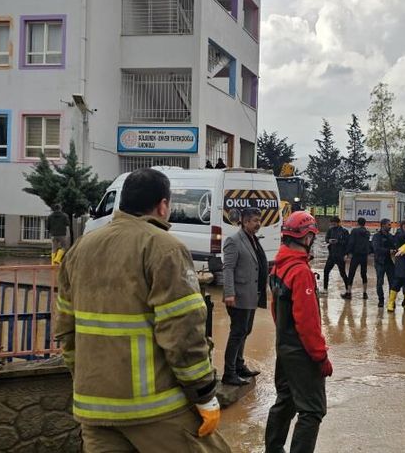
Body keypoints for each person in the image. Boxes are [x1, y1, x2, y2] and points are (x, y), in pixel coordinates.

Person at [54, 168, 230, 452]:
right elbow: (183, 333)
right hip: (154, 409)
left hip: (94, 409)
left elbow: (66, 329)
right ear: (163, 205)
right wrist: (204, 393)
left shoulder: (80, 249)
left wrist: (86, 381)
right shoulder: (164, 248)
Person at [265, 211, 332, 453]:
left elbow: (275, 311)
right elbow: (308, 322)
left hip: (284, 347)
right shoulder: (300, 272)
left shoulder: (278, 267)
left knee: (286, 400)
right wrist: (320, 356)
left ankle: (273, 449)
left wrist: (284, 341)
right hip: (301, 351)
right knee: (312, 410)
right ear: (307, 237)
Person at [222, 207, 267, 386]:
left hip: (251, 294)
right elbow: (228, 268)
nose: (258, 224)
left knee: (245, 331)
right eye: (255, 220)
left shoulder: (253, 239)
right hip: (238, 295)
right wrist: (229, 293)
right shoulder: (233, 240)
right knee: (237, 332)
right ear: (245, 221)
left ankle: (239, 366)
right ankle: (229, 373)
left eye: (259, 220)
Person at [342, 217, 371, 300]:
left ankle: (348, 293)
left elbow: (351, 243)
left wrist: (347, 253)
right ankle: (365, 293)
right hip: (364, 256)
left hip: (356, 255)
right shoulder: (367, 232)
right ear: (364, 223)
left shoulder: (354, 231)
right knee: (363, 273)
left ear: (357, 223)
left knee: (351, 273)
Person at [371, 218, 397, 308]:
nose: (390, 226)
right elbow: (376, 249)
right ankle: (381, 300)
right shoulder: (376, 236)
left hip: (390, 263)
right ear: (383, 225)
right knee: (379, 282)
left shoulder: (391, 236)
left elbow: (395, 246)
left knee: (393, 283)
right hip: (380, 263)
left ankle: (391, 301)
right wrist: (389, 251)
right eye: (389, 225)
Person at [323, 216, 350, 291]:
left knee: (343, 273)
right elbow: (326, 239)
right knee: (326, 271)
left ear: (338, 223)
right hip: (331, 255)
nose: (333, 224)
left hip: (340, 256)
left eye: (334, 223)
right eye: (332, 223)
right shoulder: (330, 230)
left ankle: (348, 290)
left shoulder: (344, 231)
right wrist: (329, 241)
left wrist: (346, 254)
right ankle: (325, 289)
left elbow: (347, 243)